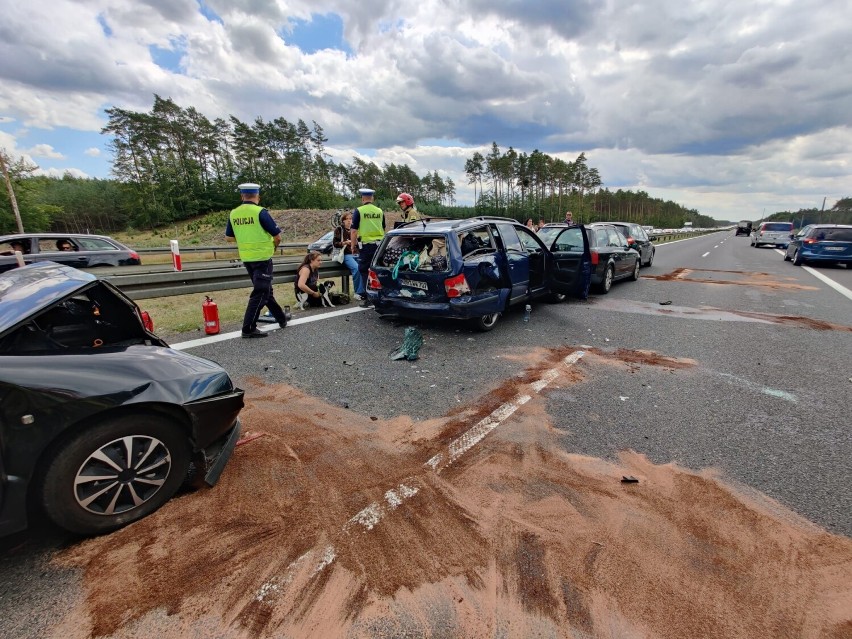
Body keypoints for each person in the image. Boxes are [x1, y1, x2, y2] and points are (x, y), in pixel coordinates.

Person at [225, 182, 289, 338]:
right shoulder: (260, 212)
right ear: (257, 196)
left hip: (247, 258)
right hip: (262, 258)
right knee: (260, 292)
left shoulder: (234, 213)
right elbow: (277, 236)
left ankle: (281, 318)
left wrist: (245, 238)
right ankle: (248, 328)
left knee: (266, 291)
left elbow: (229, 238)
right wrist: (273, 247)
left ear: (242, 196)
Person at [350, 187, 385, 306]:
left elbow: (354, 231)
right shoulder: (379, 211)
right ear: (372, 198)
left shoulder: (359, 211)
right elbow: (383, 227)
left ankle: (369, 297)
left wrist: (353, 246)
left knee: (364, 270)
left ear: (362, 198)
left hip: (366, 246)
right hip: (380, 246)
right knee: (378, 270)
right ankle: (382, 295)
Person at [333, 212, 363, 299]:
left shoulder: (355, 229)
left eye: (351, 219)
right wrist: (344, 242)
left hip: (356, 253)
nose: (350, 221)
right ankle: (358, 292)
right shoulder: (339, 229)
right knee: (356, 268)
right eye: (348, 219)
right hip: (346, 254)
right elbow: (335, 243)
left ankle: (363, 291)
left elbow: (359, 242)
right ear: (343, 221)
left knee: (364, 268)